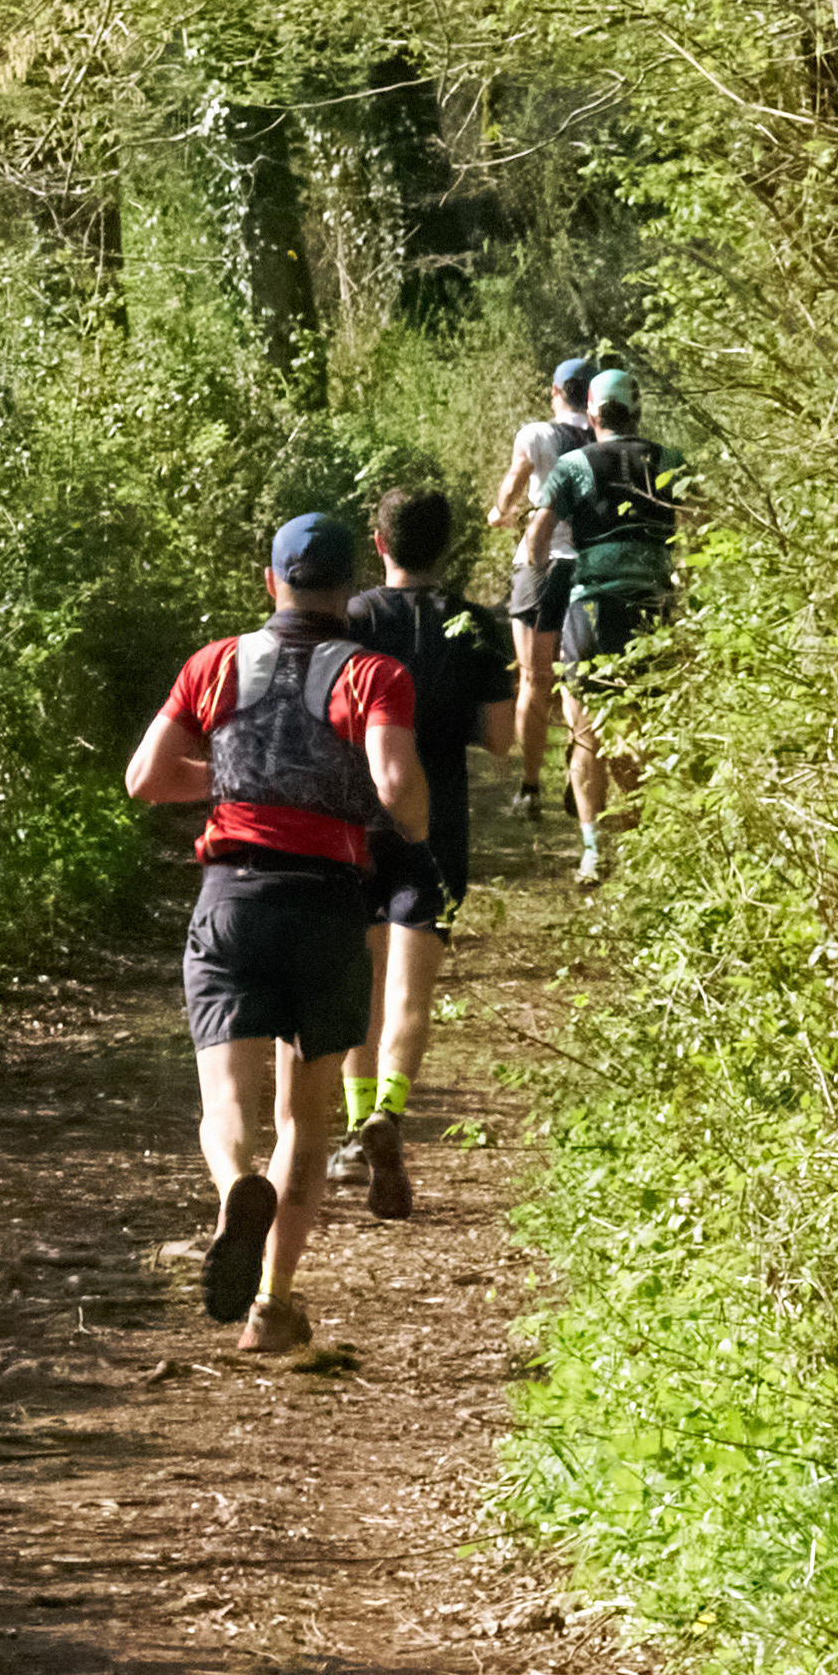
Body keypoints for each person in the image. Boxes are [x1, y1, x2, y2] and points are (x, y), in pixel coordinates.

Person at [122, 513, 430, 1355]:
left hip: (231, 897)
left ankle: (233, 1186)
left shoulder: (216, 663)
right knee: (306, 1115)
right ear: (349, 589)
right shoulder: (374, 673)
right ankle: (272, 1304)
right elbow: (397, 785)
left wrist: (228, 781)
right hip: (327, 905)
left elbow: (145, 778)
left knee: (226, 1098)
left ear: (271, 582)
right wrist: (408, 819)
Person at [334, 488, 518, 1222]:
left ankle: (353, 1130)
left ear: (378, 544)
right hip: (436, 826)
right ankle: (391, 1113)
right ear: (447, 550)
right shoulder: (479, 625)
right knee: (411, 991)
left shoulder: (351, 620)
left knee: (361, 985)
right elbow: (501, 738)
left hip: (354, 820)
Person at [521, 368, 685, 890]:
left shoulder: (573, 465)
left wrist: (550, 573)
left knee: (585, 733)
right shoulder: (671, 460)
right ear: (636, 411)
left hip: (590, 609)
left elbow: (535, 542)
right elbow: (701, 524)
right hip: (652, 606)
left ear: (591, 415)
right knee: (640, 724)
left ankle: (592, 853)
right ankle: (639, 838)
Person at [484, 357, 598, 815]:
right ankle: (583, 769)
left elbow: (512, 486)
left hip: (541, 565)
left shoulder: (535, 435)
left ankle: (529, 789)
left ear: (555, 391)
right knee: (584, 677)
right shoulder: (603, 439)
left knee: (534, 679)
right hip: (590, 567)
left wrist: (501, 513)